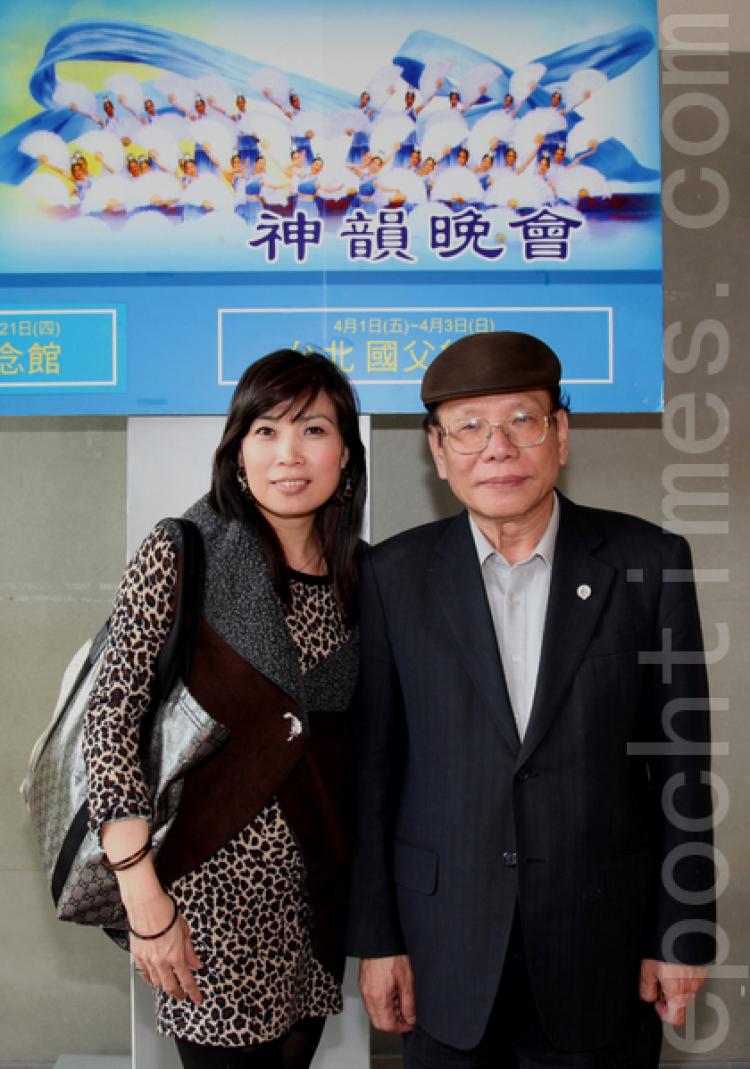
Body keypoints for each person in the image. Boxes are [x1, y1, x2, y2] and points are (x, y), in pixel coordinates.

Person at [347, 331, 715, 1068]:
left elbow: (682, 769)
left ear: (561, 434)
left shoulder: (648, 563)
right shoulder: (392, 577)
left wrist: (681, 934)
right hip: (443, 945)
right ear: (437, 450)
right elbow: (374, 775)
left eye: (522, 420)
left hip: (600, 945)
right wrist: (378, 939)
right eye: (470, 427)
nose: (497, 447)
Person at [84, 349, 366, 1068]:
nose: (289, 454)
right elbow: (111, 717)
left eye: (313, 429)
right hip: (202, 905)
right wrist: (144, 897)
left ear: (344, 454)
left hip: (315, 898)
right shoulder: (185, 551)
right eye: (266, 430)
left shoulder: (364, 575)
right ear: (237, 451)